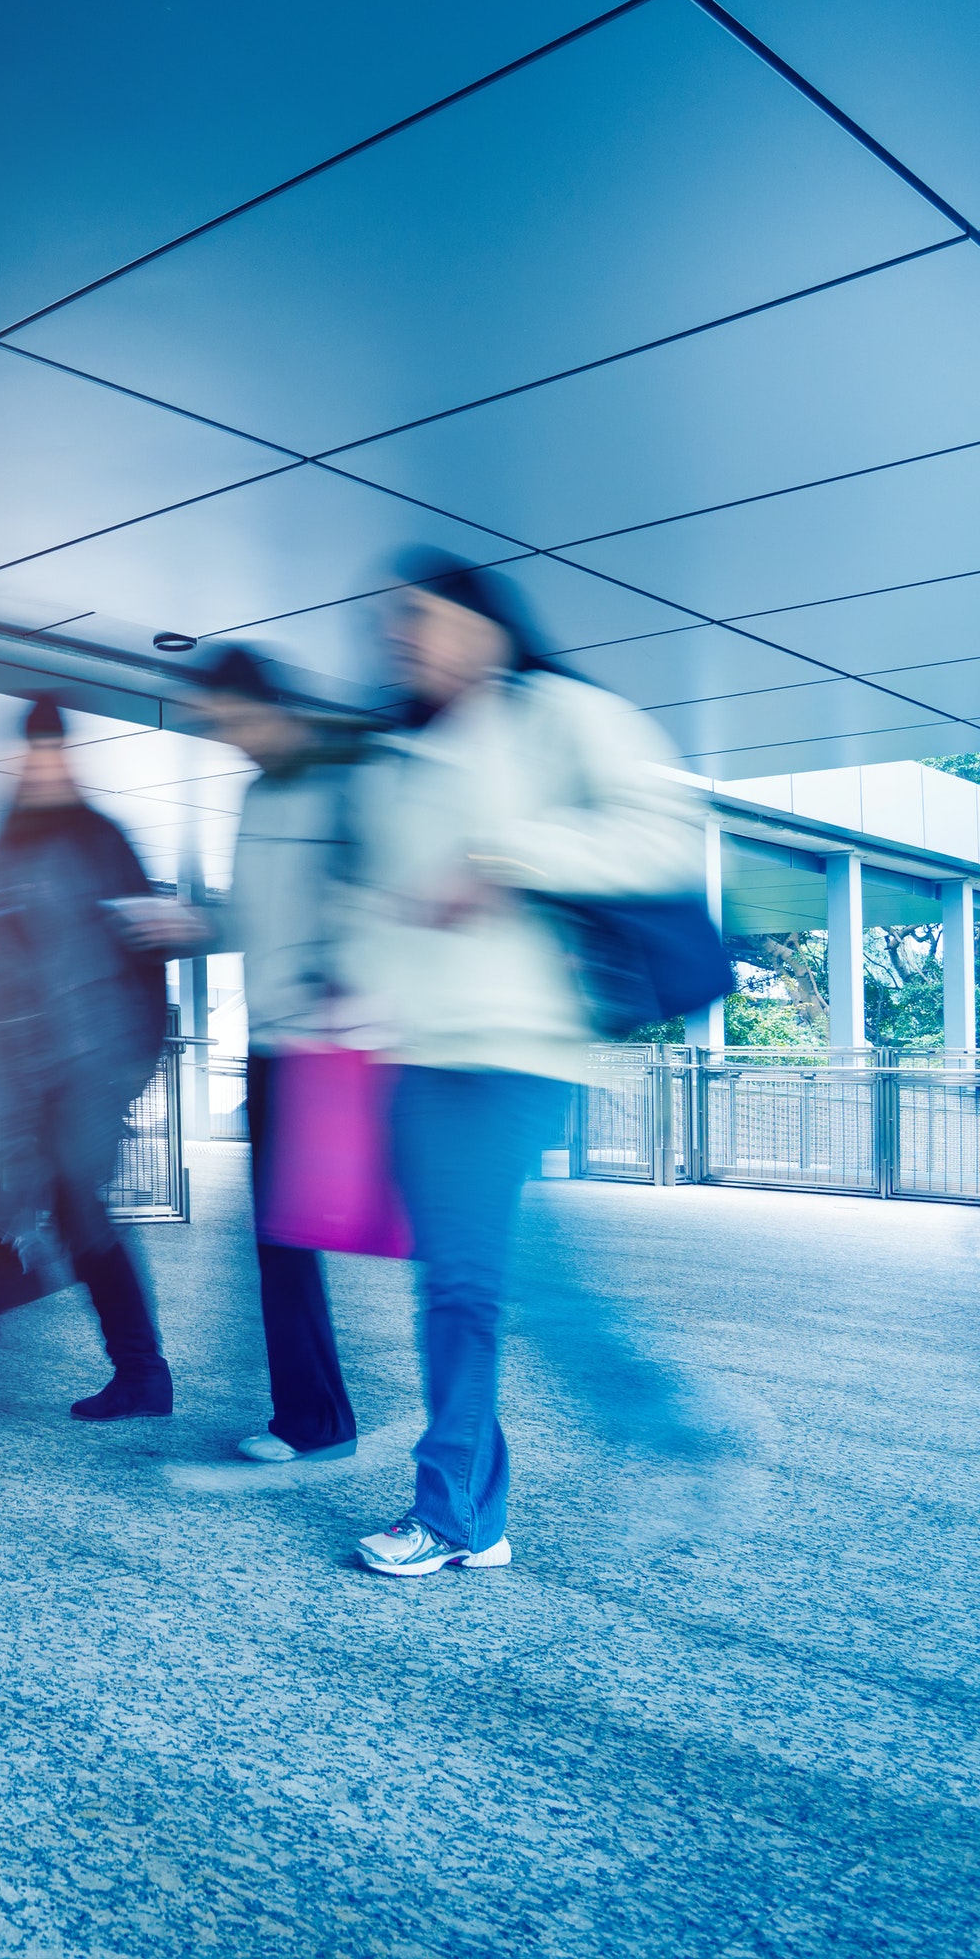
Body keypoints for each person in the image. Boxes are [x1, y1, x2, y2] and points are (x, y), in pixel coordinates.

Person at [342, 550, 698, 1576]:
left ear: (483, 624)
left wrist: (506, 856)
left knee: (470, 1280)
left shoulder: (554, 714)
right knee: (464, 1284)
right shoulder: (401, 754)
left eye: (421, 619)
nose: (404, 639)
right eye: (394, 626)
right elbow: (382, 902)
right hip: (421, 1049)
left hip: (516, 1043)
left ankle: (474, 1499)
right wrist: (359, 986)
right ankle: (484, 1507)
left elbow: (659, 836)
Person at [0, 696, 178, 1420]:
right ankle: (139, 1371)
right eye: (31, 752)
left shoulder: (101, 840)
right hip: (31, 1067)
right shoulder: (9, 843)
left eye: (53, 751)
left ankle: (144, 1373)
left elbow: (147, 955)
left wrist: (132, 1069)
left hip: (94, 1063)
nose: (41, 765)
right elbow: (8, 969)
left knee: (80, 1209)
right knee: (55, 1210)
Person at [190, 646, 366, 1466]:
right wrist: (193, 928)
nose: (232, 740)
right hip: (274, 1044)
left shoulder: (344, 781)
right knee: (280, 1237)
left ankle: (327, 1415)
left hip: (337, 1045)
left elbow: (374, 900)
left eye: (235, 722)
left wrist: (347, 980)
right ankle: (315, 1418)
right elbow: (254, 917)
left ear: (268, 707)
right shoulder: (259, 793)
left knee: (397, 1236)